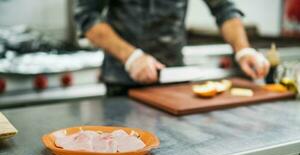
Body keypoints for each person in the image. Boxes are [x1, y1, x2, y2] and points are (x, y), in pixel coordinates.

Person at [74, 0, 270, 95]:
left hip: (173, 80)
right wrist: (131, 57)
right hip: (122, 83)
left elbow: (224, 9)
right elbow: (87, 18)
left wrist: (243, 50)